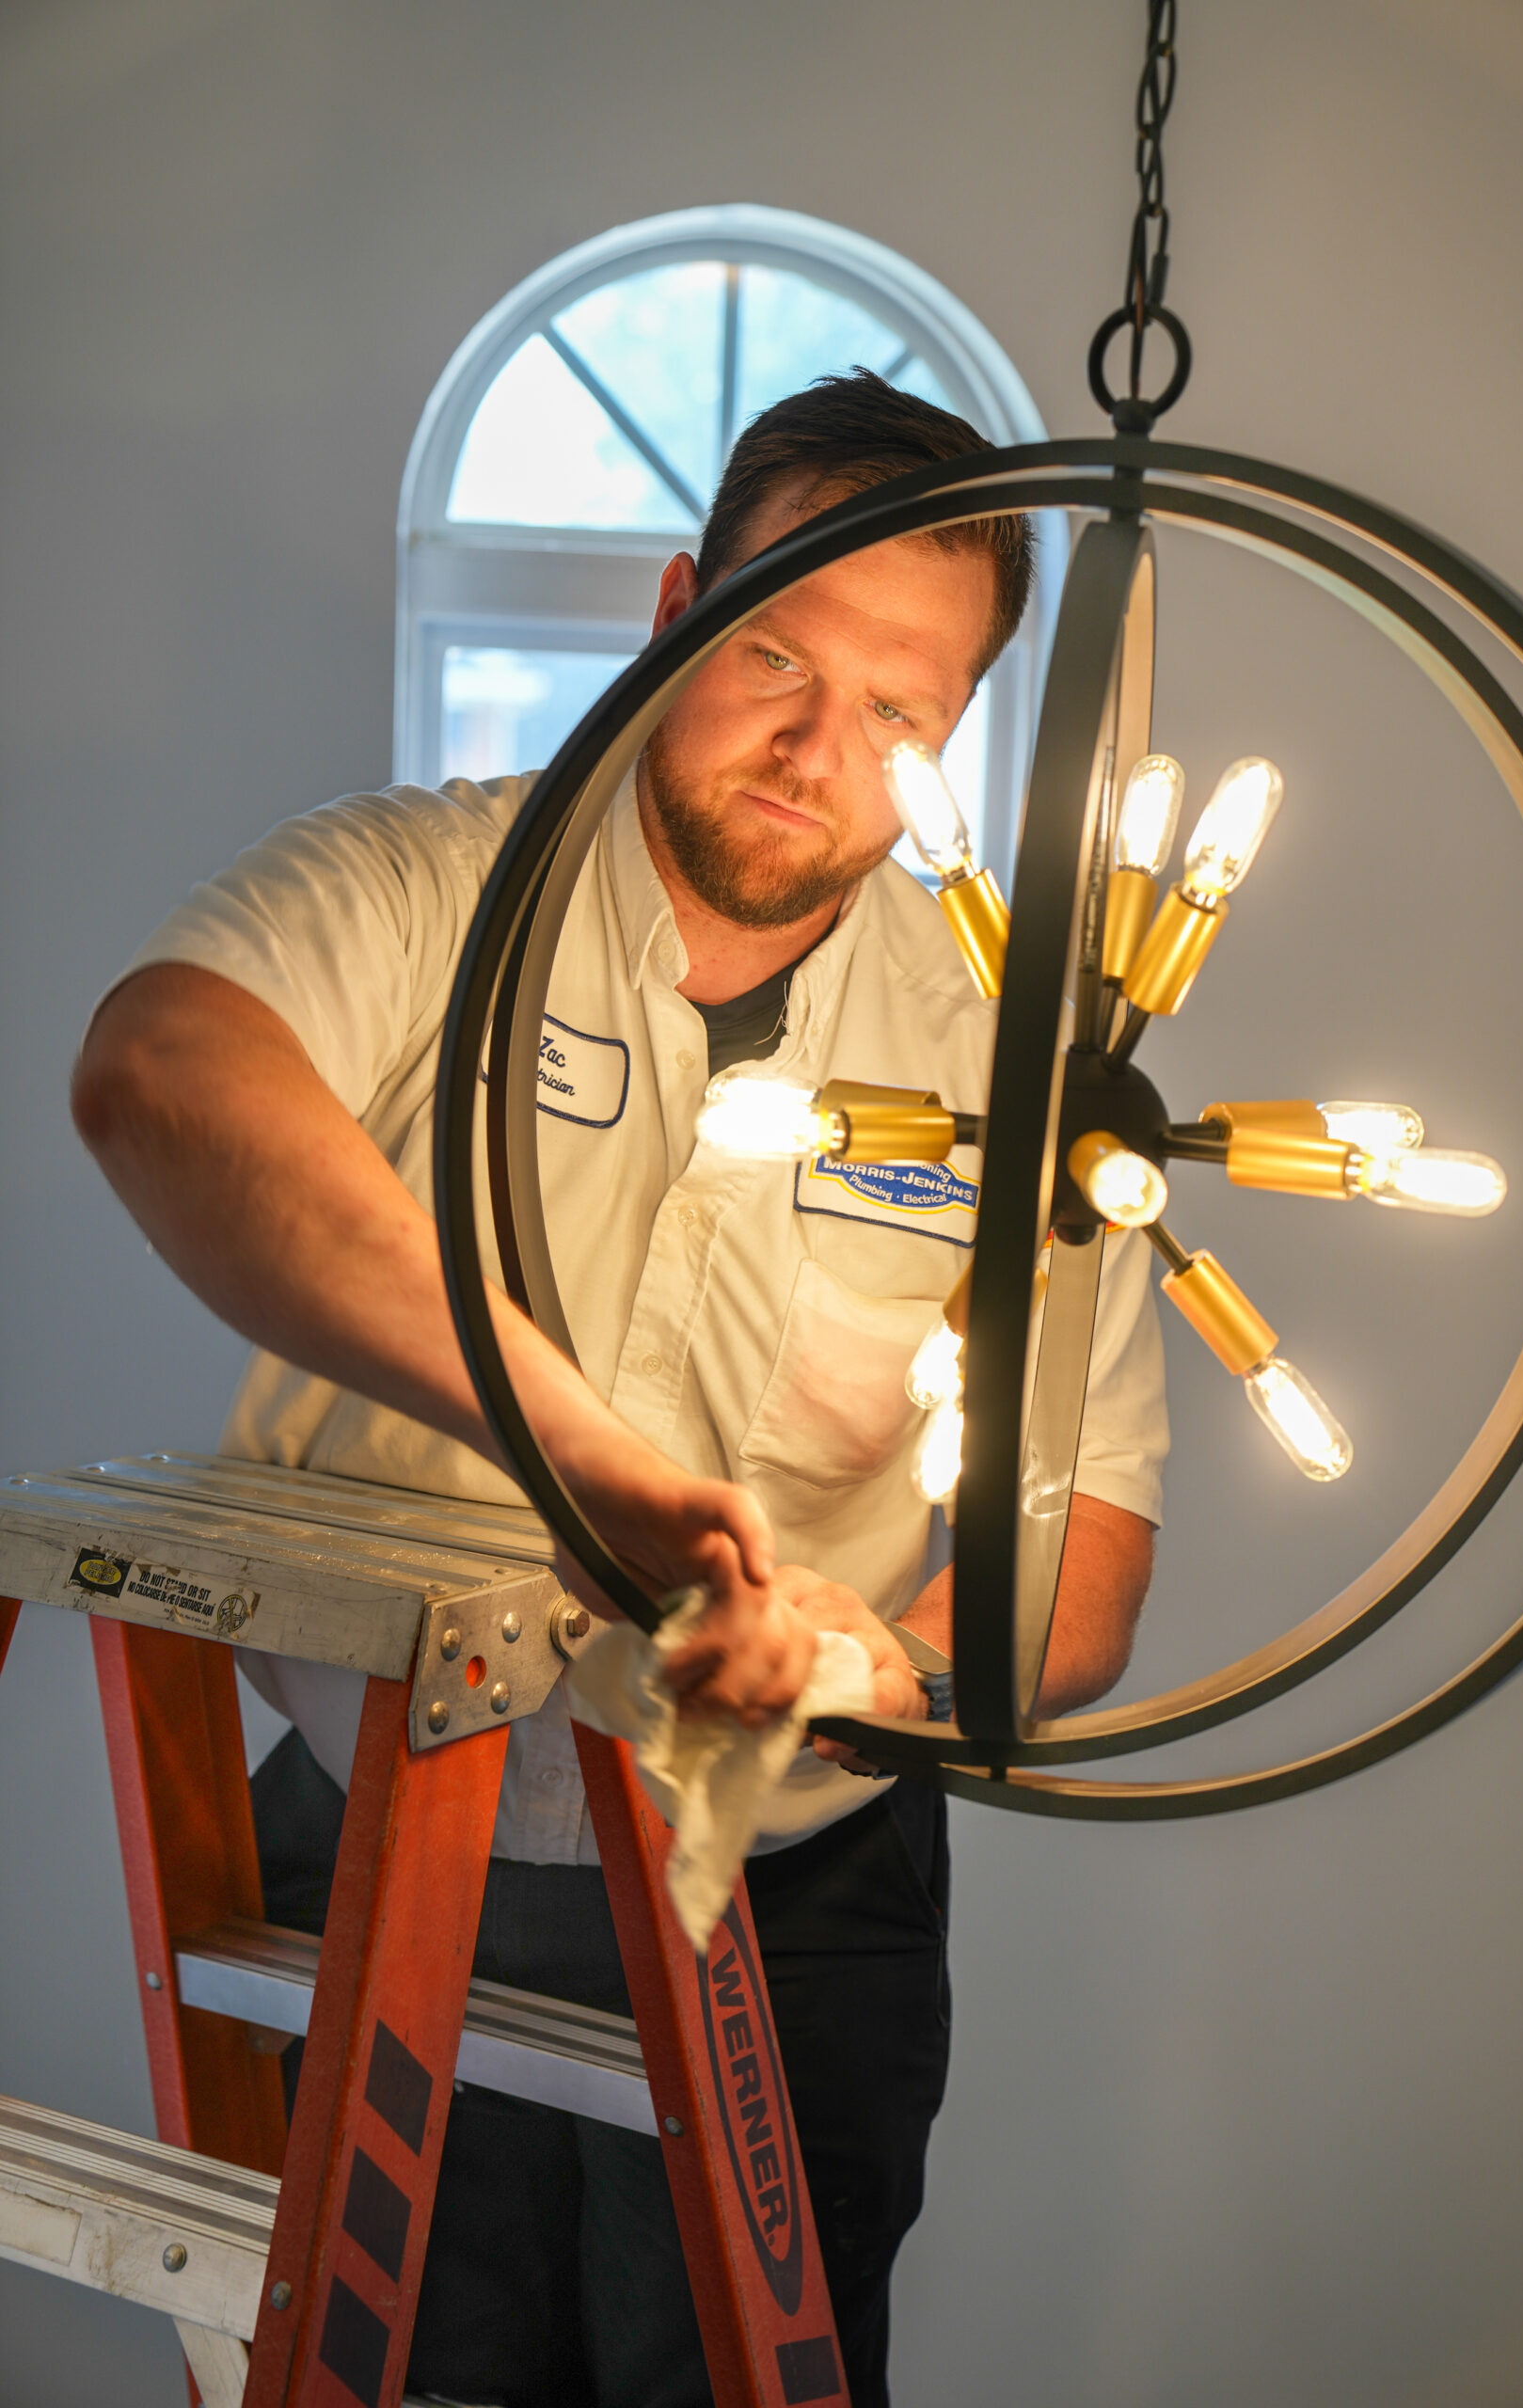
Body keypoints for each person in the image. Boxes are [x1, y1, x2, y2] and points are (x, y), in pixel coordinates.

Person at [71, 370, 1167, 2408]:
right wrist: (588, 1456)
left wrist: (873, 1657)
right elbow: (155, 1072)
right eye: (774, 650)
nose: (817, 748)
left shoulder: (1018, 1071)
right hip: (376, 1842)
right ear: (674, 603)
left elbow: (1083, 1562)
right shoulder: (426, 886)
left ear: (957, 740)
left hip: (794, 1894)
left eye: (903, 710)